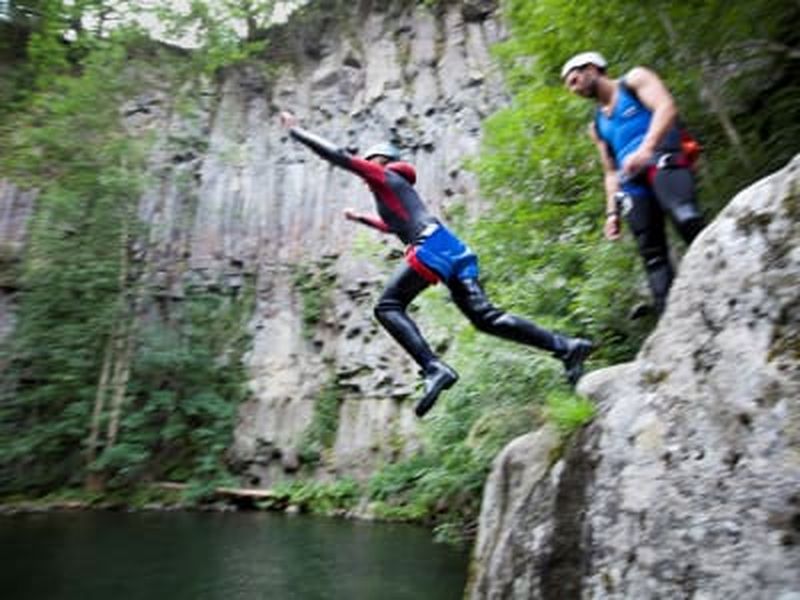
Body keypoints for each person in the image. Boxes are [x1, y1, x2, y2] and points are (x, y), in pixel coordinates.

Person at [280, 111, 592, 417]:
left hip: (430, 246)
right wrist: (360, 218)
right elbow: (395, 226)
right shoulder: (398, 189)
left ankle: (433, 367)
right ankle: (566, 346)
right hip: (452, 247)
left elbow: (337, 156)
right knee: (485, 318)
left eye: (368, 159)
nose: (365, 166)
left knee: (387, 307)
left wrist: (297, 131)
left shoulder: (382, 175)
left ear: (380, 160)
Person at [561, 52, 705, 315]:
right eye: (570, 85)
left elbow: (666, 107)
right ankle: (671, 319)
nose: (574, 88)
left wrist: (646, 149)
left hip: (661, 156)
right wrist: (611, 213)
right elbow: (610, 171)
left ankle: (720, 274)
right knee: (652, 256)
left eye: (575, 79)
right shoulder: (597, 124)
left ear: (592, 69)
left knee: (686, 218)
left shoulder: (635, 80)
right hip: (631, 183)